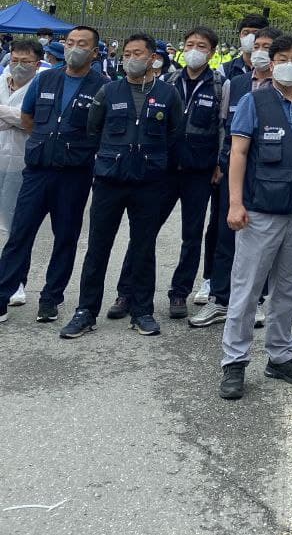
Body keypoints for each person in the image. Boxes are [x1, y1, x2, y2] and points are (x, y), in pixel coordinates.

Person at [218, 34, 292, 400]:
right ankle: (234, 362)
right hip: (259, 213)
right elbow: (238, 154)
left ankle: (280, 355)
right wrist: (235, 204)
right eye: (282, 57)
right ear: (269, 60)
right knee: (247, 289)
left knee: (287, 289)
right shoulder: (254, 101)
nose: (289, 63)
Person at [60, 34, 185, 339]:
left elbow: (174, 134)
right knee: (97, 248)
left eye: (137, 53)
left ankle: (141, 311)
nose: (131, 58)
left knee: (143, 248)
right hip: (109, 180)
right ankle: (86, 311)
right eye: (127, 53)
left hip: (149, 182)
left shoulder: (168, 94)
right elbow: (94, 130)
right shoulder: (108, 90)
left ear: (152, 57)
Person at [109, 27, 223, 321]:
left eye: (201, 45)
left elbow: (223, 128)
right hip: (164, 168)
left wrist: (219, 164)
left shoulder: (220, 85)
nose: (194, 49)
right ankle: (127, 291)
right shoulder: (167, 81)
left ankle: (179, 292)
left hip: (199, 171)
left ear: (211, 52)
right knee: (144, 232)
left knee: (192, 235)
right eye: (190, 44)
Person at [0, 25, 104, 325]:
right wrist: (48, 144)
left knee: (66, 237)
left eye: (82, 44)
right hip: (38, 170)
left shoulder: (102, 86)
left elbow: (101, 129)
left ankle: (50, 298)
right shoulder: (46, 78)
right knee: (20, 234)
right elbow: (28, 118)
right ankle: (3, 294)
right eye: (70, 42)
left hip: (74, 174)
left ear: (94, 52)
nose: (74, 48)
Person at [189, 26, 280, 327]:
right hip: (233, 168)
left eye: (268, 47)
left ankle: (257, 299)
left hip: (269, 172)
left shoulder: (285, 88)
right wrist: (219, 161)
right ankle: (220, 298)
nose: (261, 52)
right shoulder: (236, 84)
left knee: (262, 237)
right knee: (227, 231)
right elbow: (223, 125)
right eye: (257, 46)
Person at [0, 36, 43, 310]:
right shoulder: (2, 81)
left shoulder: (41, 85)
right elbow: (20, 118)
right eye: (15, 60)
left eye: (25, 62)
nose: (19, 66)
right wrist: (15, 116)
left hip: (23, 164)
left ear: (37, 64)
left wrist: (10, 116)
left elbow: (34, 122)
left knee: (18, 228)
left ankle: (16, 282)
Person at [223, 13, 270, 80]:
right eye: (245, 33)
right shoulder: (225, 70)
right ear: (240, 35)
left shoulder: (273, 68)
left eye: (255, 33)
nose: (250, 37)